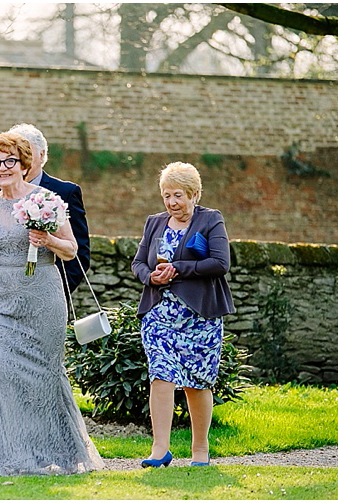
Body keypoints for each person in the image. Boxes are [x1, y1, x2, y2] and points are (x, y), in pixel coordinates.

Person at [0, 132, 103, 476]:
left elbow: (72, 250)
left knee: (43, 380)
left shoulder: (46, 199)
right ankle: (0, 454)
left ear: (25, 164)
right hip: (1, 304)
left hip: (43, 300)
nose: (1, 168)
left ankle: (51, 453)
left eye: (9, 161)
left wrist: (48, 239)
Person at [131, 162, 234, 468]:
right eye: (166, 196)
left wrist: (178, 269)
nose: (172, 202)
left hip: (200, 316)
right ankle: (159, 449)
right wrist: (151, 277)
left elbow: (220, 262)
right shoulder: (154, 223)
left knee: (197, 382)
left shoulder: (211, 220)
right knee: (160, 375)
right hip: (159, 313)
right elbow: (138, 263)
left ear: (194, 194)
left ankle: (200, 450)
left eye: (178, 195)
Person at [0, 123, 90, 296]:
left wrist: (55, 291)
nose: (18, 158)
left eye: (25, 152)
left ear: (41, 155)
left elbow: (78, 255)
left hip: (46, 293)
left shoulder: (63, 192)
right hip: (0, 294)